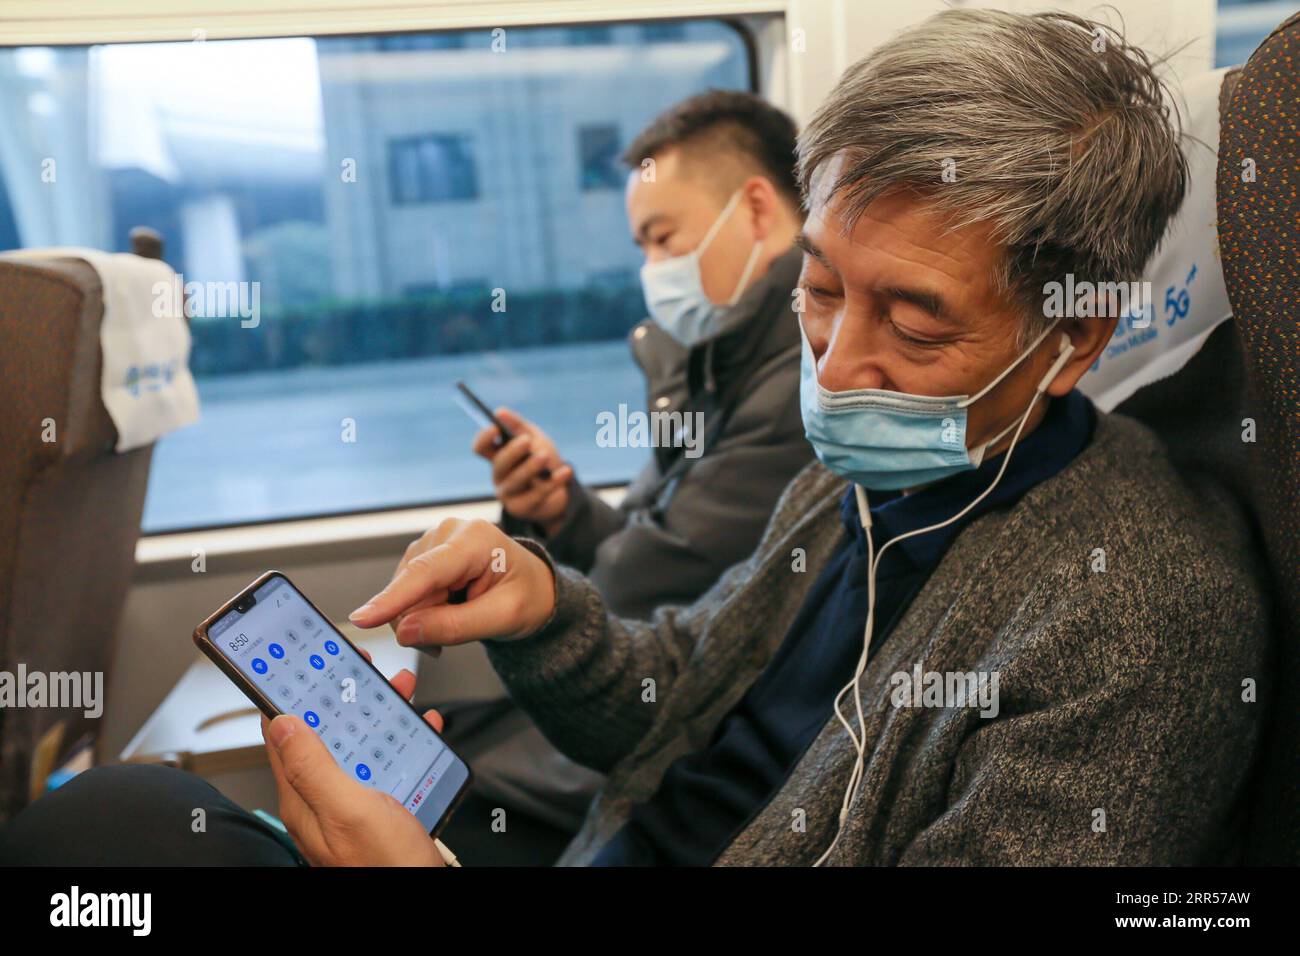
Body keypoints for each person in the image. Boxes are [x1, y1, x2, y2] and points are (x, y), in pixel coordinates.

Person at [0, 9, 1269, 867]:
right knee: (109, 823)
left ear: (1078, 337)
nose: (836, 361)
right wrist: (540, 604)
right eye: (820, 287)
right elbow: (675, 693)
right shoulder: (859, 477)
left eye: (916, 323)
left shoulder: (1140, 621)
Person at [437, 90, 812, 860]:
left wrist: (545, 571)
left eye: (663, 238)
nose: (653, 270)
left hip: (697, 721)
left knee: (429, 791)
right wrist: (559, 510)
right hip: (658, 673)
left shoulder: (798, 389)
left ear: (756, 209)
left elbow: (638, 585)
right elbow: (654, 536)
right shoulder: (719, 362)